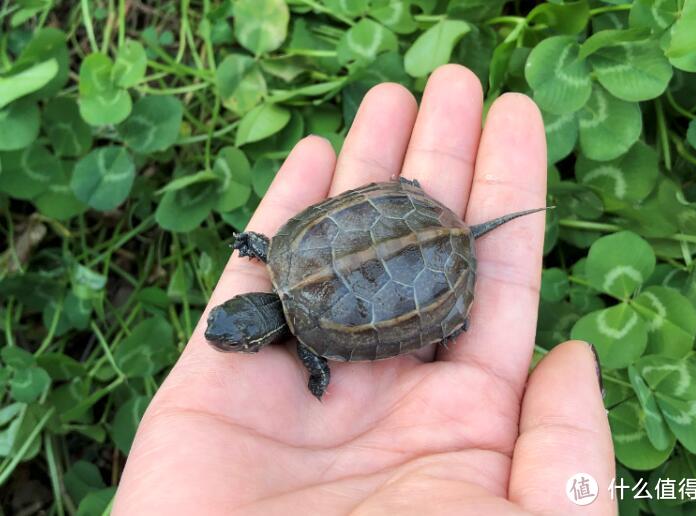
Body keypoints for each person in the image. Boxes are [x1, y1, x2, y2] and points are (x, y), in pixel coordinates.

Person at [113, 64, 616, 515]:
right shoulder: (282, 250)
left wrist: (318, 380)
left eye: (235, 334)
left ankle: (452, 314)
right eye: (234, 332)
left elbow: (319, 362)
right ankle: (432, 257)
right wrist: (252, 244)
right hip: (408, 218)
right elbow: (267, 248)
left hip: (432, 260)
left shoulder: (317, 341)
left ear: (259, 337)